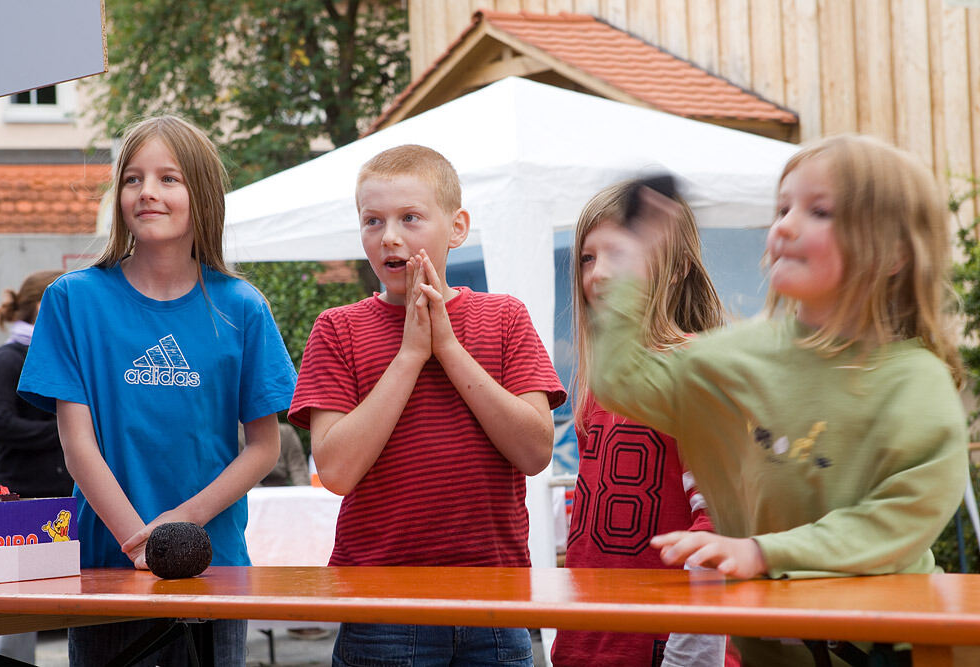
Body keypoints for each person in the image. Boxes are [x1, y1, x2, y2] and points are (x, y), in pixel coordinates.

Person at [591, 135, 968, 666]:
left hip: (892, 645)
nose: (785, 225)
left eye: (820, 211)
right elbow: (624, 383)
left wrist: (764, 552)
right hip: (771, 643)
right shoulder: (738, 357)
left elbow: (899, 520)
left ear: (894, 253)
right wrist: (630, 271)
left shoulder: (916, 382)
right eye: (782, 207)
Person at [17, 115, 297, 667]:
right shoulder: (73, 300)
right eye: (132, 179)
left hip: (211, 568)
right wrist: (139, 544)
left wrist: (177, 529)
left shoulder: (243, 307)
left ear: (202, 194)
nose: (147, 192)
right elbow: (78, 447)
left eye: (169, 178)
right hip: (106, 569)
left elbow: (264, 447)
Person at [288, 144, 566, 666]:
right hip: (380, 605)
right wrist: (411, 354)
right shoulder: (337, 328)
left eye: (410, 218)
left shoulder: (504, 317)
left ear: (457, 227)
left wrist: (449, 348)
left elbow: (534, 453)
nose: (389, 236)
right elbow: (337, 470)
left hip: (494, 601)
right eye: (372, 221)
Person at [551, 181, 737, 667]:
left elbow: (721, 524)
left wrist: (690, 651)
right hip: (588, 644)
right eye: (588, 257)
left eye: (620, 252)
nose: (600, 273)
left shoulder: (697, 370)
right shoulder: (600, 386)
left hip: (670, 647)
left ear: (675, 268)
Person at [0, 268, 70, 663]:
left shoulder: (60, 357)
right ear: (40, 306)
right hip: (16, 499)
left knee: (66, 596)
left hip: (57, 496)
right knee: (17, 607)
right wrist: (68, 432)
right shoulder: (9, 356)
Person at [237, 421, 311, 486]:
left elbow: (299, 469)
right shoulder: (237, 434)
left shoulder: (287, 433)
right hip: (252, 491)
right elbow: (242, 477)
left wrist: (303, 493)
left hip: (281, 488)